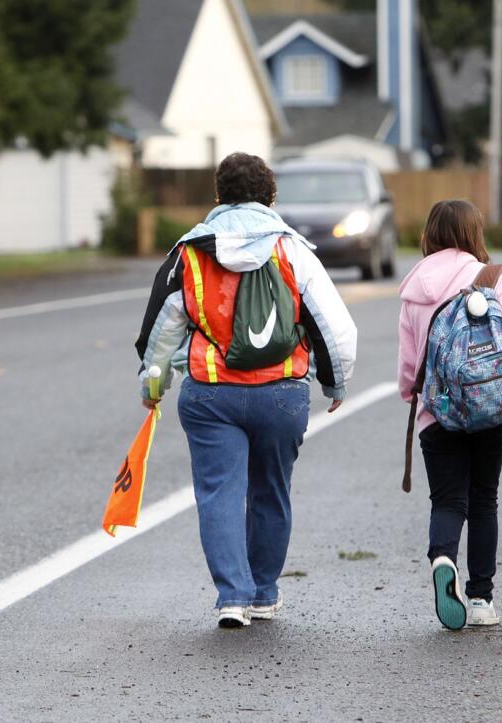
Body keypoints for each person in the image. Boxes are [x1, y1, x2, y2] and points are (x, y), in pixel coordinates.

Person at [135, 152, 357, 629]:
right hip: (281, 393)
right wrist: (334, 379)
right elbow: (333, 326)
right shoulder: (291, 249)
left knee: (219, 493)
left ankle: (231, 597)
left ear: (219, 196)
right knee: (271, 491)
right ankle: (264, 592)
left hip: (211, 395)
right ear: (270, 196)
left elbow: (161, 329)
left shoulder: (190, 252)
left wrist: (153, 383)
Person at [397, 199, 502, 630]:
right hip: (490, 407)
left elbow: (408, 361)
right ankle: (481, 600)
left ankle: (442, 557)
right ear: (475, 234)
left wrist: (411, 396)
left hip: (437, 411)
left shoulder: (415, 286)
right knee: (484, 496)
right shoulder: (495, 278)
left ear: (429, 234)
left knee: (448, 499)